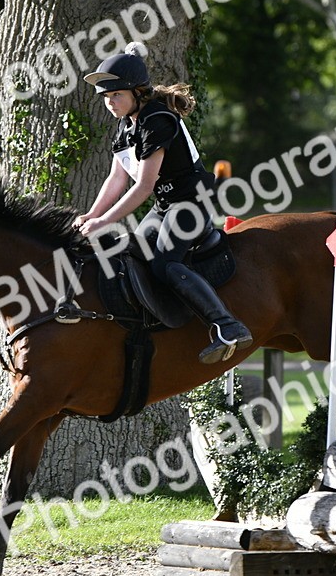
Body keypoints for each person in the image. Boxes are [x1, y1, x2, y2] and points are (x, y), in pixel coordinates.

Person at [78, 42, 253, 364]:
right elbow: (117, 179)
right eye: (105, 97)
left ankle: (228, 325)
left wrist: (104, 222)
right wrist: (92, 213)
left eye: (116, 95)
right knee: (135, 254)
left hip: (191, 202)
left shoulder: (157, 119)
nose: (110, 103)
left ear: (137, 91)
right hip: (166, 205)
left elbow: (143, 186)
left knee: (164, 263)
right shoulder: (126, 127)